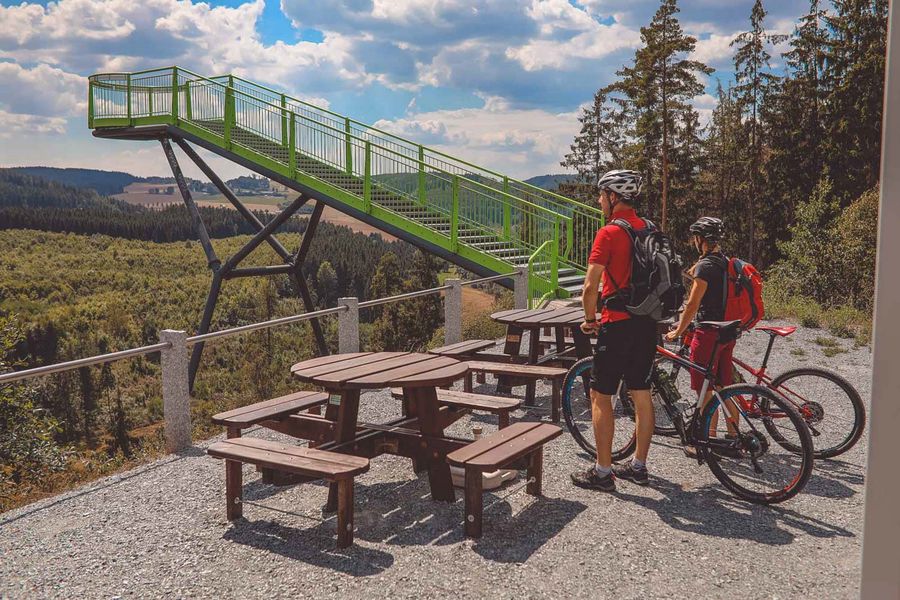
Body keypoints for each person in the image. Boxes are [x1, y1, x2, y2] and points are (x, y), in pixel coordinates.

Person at [570, 169, 657, 492]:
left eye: (602, 194)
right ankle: (639, 466)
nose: (598, 200)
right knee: (641, 393)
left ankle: (603, 472)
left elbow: (590, 286)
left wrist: (590, 318)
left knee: (600, 394)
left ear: (613, 197)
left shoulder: (608, 233)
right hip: (648, 323)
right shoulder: (650, 228)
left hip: (618, 323)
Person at [665, 216, 738, 447]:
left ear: (701, 239)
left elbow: (693, 304)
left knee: (705, 390)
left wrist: (678, 330)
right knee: (723, 388)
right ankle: (734, 437)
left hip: (708, 333)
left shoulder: (706, 267)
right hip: (727, 331)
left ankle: (708, 439)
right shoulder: (723, 261)